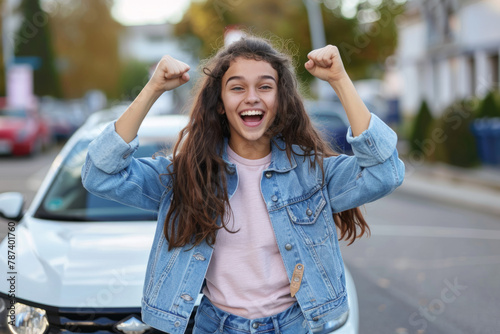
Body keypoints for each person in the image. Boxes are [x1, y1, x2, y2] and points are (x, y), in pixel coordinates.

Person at [82, 36, 404, 334]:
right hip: (214, 325)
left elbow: (385, 172)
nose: (252, 97)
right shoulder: (185, 176)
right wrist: (153, 88)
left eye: (265, 87)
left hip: (295, 325)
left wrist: (339, 80)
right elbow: (100, 173)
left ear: (280, 100)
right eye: (237, 88)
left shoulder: (312, 172)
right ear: (220, 102)